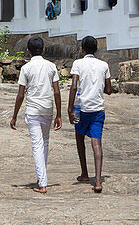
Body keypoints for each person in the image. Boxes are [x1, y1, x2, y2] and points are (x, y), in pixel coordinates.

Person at [10, 37, 62, 193]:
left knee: (37, 145)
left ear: (28, 51)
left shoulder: (26, 68)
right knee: (44, 143)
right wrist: (59, 114)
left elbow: (20, 95)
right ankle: (41, 177)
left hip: (33, 110)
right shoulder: (51, 66)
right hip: (47, 109)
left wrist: (14, 115)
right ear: (44, 50)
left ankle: (42, 183)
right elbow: (57, 92)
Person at [68, 35, 112, 194]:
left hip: (82, 108)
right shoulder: (104, 65)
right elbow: (108, 89)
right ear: (96, 49)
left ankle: (85, 173)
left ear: (82, 49)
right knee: (97, 143)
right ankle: (98, 181)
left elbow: (74, 86)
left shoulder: (78, 63)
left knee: (79, 137)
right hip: (98, 108)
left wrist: (69, 109)